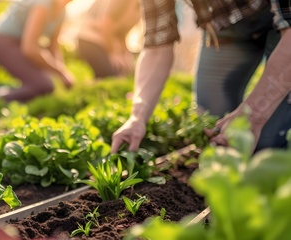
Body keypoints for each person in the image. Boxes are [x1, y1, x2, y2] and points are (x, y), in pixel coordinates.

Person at [111, 0, 291, 154]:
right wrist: (137, 117)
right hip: (225, 23)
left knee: (266, 140)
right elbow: (157, 46)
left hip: (283, 26)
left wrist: (254, 115)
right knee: (211, 124)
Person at [0, 0, 75, 103]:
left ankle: (4, 94)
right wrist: (60, 72)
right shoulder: (43, 4)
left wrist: (62, 72)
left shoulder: (62, 13)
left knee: (43, 84)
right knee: (43, 85)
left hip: (20, 45)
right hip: (4, 43)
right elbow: (29, 49)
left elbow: (53, 47)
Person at [76, 0, 140, 79]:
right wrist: (112, 53)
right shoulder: (122, 2)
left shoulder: (140, 10)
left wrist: (125, 54)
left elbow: (121, 34)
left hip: (106, 42)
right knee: (112, 75)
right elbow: (106, 25)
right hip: (90, 40)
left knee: (126, 72)